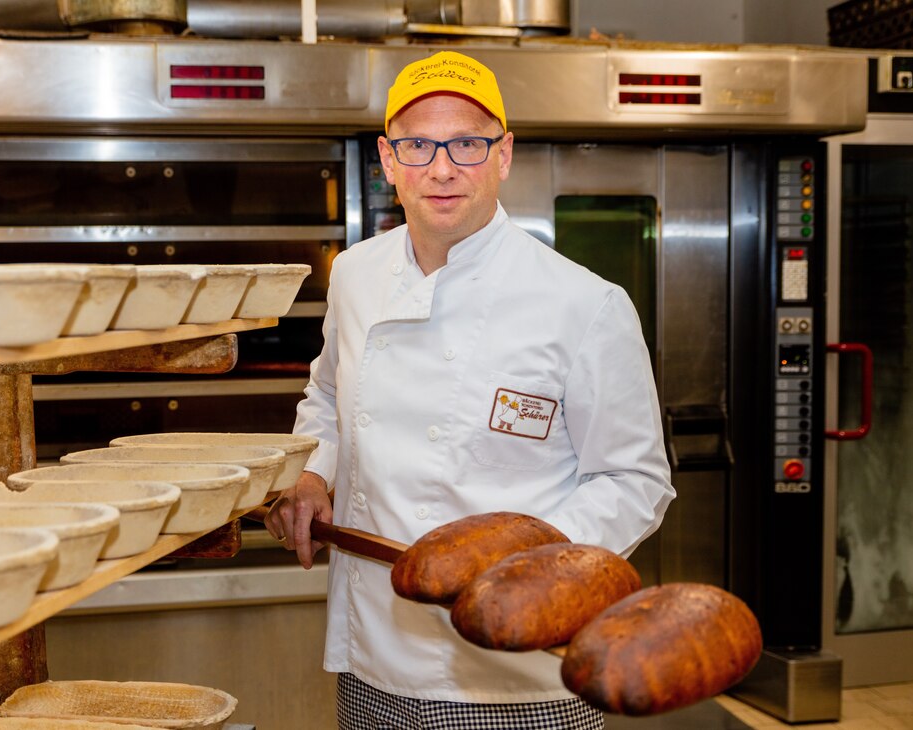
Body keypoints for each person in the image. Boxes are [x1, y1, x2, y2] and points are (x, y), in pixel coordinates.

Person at [264, 50, 675, 730]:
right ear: (388, 159)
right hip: (375, 657)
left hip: (517, 676)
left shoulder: (584, 304)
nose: (442, 167)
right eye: (418, 144)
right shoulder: (355, 276)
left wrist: (523, 571)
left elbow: (633, 479)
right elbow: (329, 400)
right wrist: (311, 474)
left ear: (503, 155)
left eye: (467, 143)